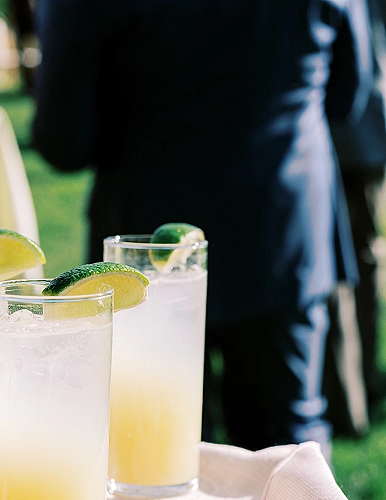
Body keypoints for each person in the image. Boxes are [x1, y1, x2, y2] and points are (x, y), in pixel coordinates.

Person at [32, 0, 373, 462]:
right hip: (280, 223)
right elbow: (348, 96)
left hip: (148, 236)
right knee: (287, 447)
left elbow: (63, 141)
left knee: (153, 444)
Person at [325, 0, 386, 436]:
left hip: (351, 128)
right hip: (342, 129)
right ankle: (352, 395)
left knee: (354, 263)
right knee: (354, 264)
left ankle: (358, 390)